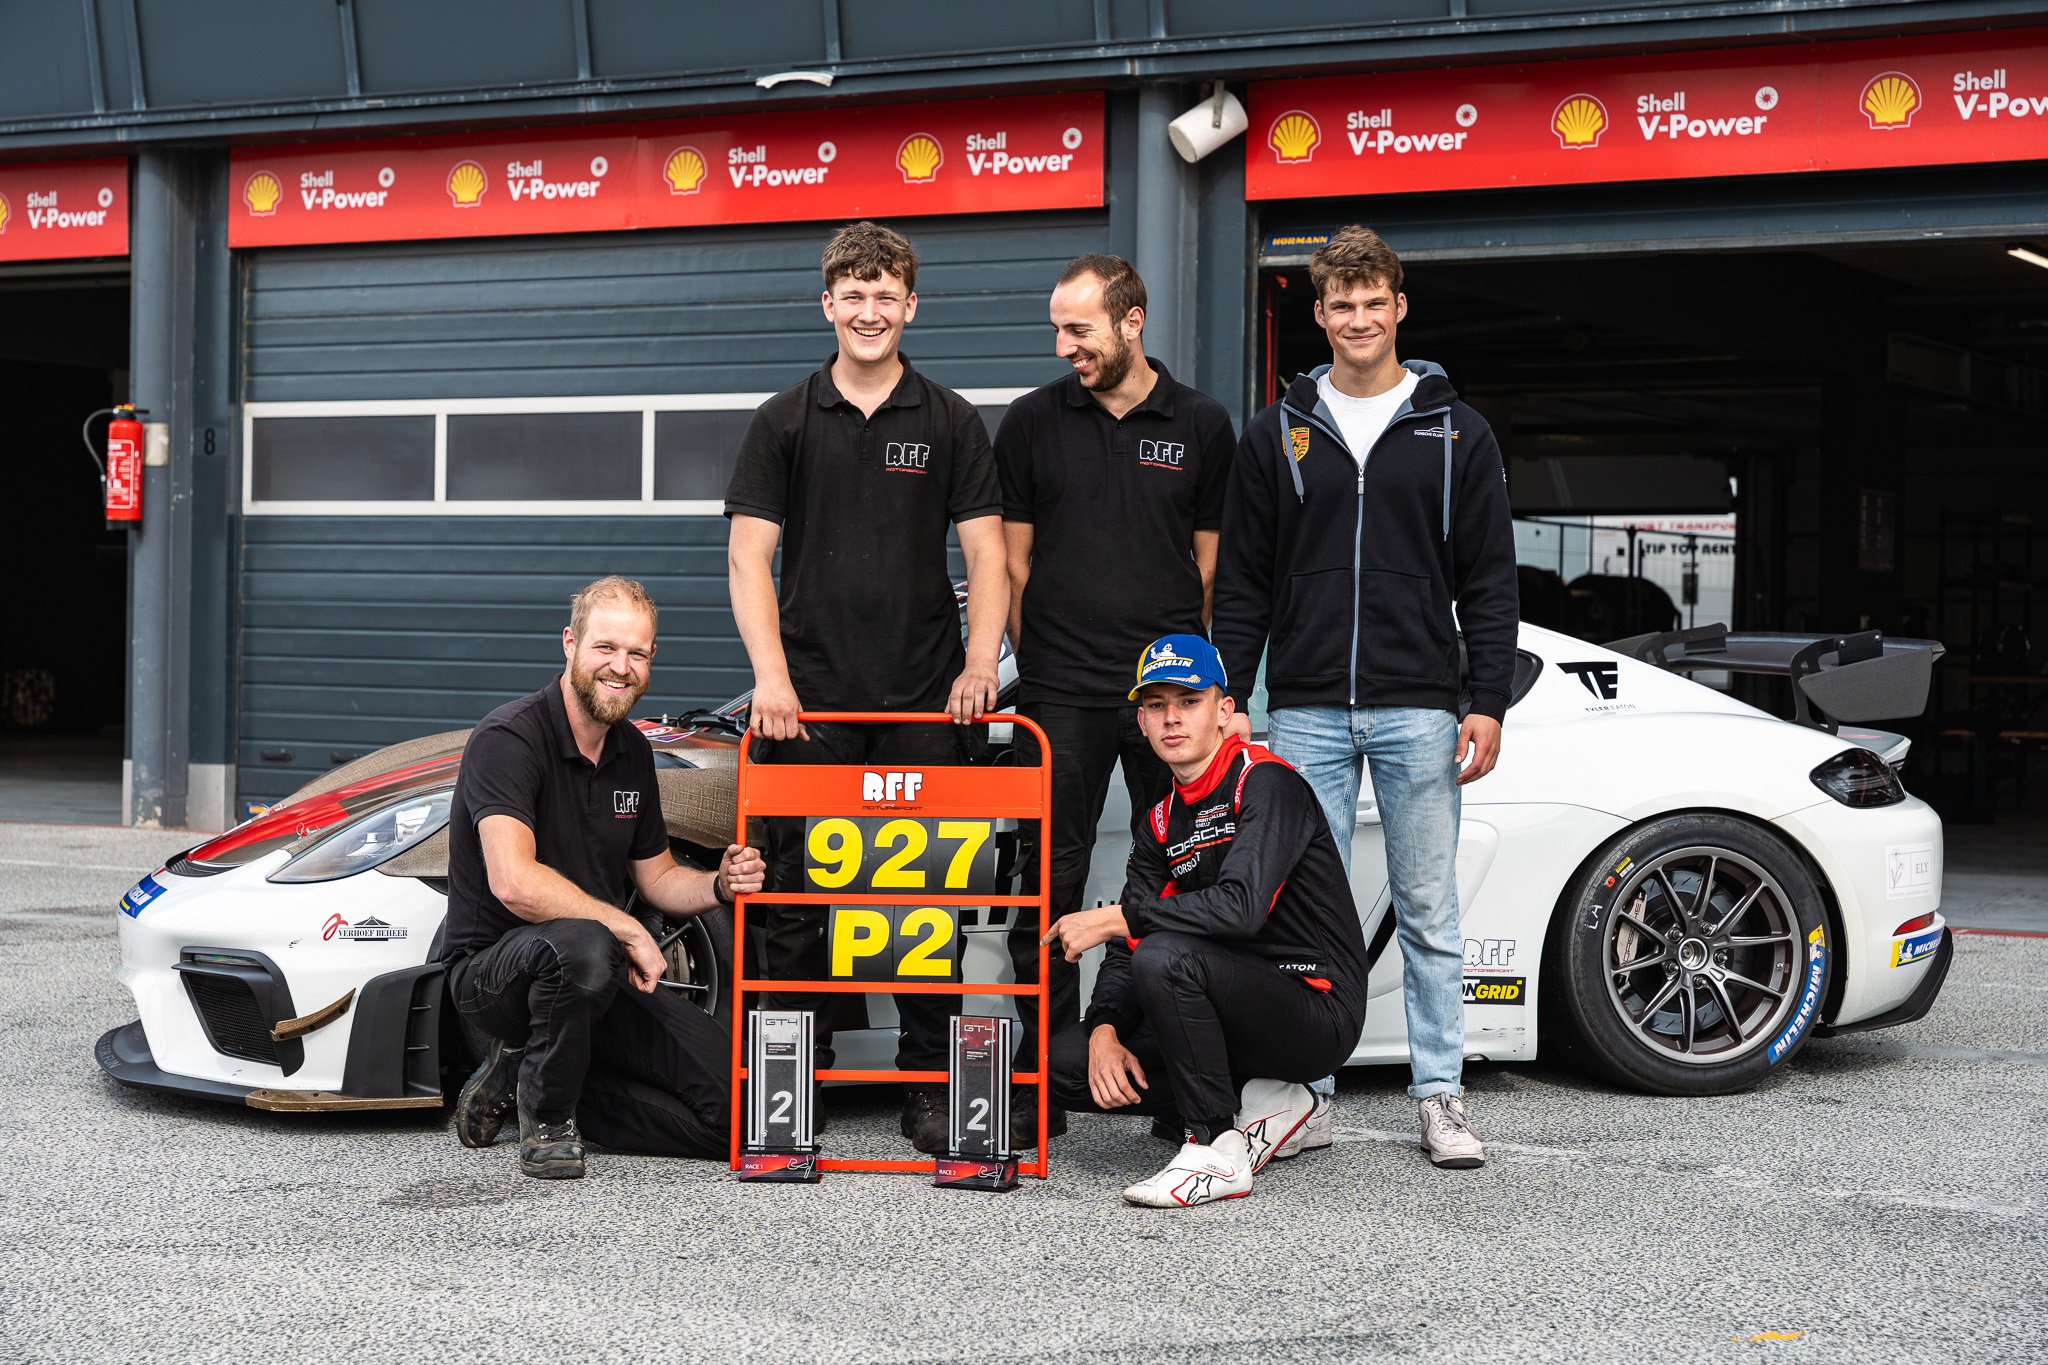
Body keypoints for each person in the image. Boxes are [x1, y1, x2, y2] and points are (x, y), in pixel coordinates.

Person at [1211, 225, 1518, 1169]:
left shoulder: (1457, 431)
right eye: (1339, 304)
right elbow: (1246, 581)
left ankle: (1440, 1097)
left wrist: (1486, 698)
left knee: (1429, 907)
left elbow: (1490, 577)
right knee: (1302, 907)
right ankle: (1310, 1092)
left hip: (1422, 703)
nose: (1356, 319)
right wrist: (1230, 694)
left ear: (1399, 308)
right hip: (1303, 704)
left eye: (1371, 302)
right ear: (1319, 314)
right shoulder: (1278, 431)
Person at [724, 220, 1008, 1154]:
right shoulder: (783, 420)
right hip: (809, 713)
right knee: (797, 909)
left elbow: (988, 554)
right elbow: (747, 557)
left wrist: (978, 662)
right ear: (828, 304)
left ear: (911, 305)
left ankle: (930, 1089)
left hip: (926, 706)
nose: (871, 310)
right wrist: (771, 677)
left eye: (887, 295)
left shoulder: (952, 420)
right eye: (854, 293)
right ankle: (790, 1092)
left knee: (923, 905)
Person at [994, 253, 1237, 1150]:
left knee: (1184, 876)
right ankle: (1040, 1082)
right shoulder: (1029, 423)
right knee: (1045, 881)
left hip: (1164, 698)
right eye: (1059, 329)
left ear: (1133, 321)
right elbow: (1012, 562)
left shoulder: (1204, 423)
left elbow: (1210, 570)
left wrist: (1186, 685)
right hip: (1060, 694)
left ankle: (1174, 1081)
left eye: (1080, 329)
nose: (1065, 346)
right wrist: (1046, 657)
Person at [443, 577, 766, 1180]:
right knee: (588, 945)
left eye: (637, 653)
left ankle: (534, 1081)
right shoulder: (509, 739)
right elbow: (513, 881)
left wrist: (719, 885)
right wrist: (625, 929)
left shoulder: (632, 753)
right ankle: (548, 1119)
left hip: (595, 980)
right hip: (493, 978)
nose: (621, 667)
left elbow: (660, 877)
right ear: (569, 644)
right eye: (605, 648)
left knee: (743, 1115)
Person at [1041, 634, 1367, 1208]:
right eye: (1156, 705)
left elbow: (1239, 909)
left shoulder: (1264, 781)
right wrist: (1104, 1028)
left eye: (1189, 702)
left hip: (1314, 1007)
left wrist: (1120, 919)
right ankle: (1267, 1103)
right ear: (1140, 722)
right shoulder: (1162, 819)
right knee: (1067, 1065)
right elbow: (1126, 942)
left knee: (1164, 956)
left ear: (1223, 711)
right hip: (1226, 1005)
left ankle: (1215, 1149)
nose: (1172, 718)